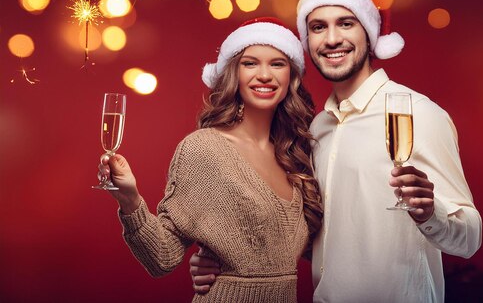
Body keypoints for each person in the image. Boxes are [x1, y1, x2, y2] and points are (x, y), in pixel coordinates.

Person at [191, 0, 482, 302]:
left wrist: (431, 213)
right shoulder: (316, 129)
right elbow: (317, 242)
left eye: (346, 23)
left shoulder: (418, 114)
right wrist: (223, 259)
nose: (331, 39)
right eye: (318, 27)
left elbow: (470, 237)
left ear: (369, 34)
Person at [100, 17, 323, 302]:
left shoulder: (295, 153)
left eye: (277, 63)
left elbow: (313, 249)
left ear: (291, 75)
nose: (265, 75)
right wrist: (129, 199)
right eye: (250, 63)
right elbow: (162, 257)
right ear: (233, 73)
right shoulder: (204, 150)